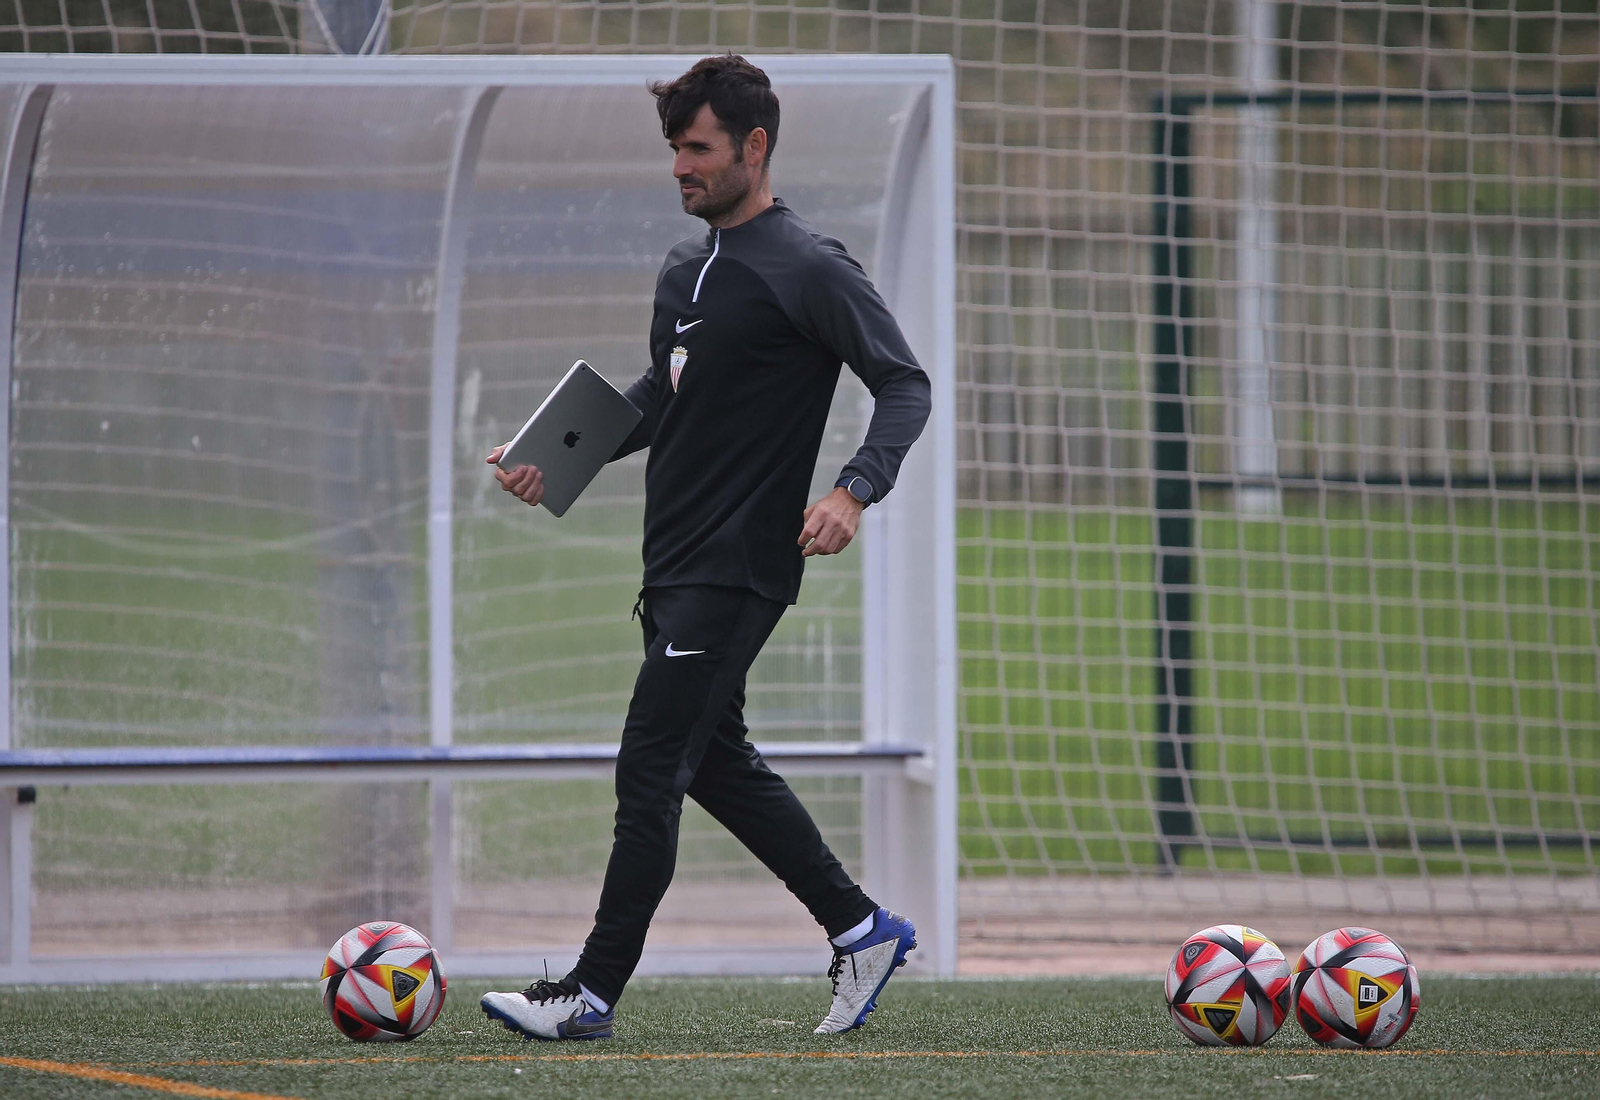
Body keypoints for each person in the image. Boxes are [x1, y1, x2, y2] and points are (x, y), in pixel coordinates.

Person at [478, 54, 932, 1041]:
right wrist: (556, 457)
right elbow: (660, 394)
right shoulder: (685, 270)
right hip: (672, 561)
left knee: (649, 768)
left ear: (753, 148)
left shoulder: (808, 265)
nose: (679, 166)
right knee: (712, 760)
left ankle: (588, 992)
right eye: (673, 149)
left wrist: (854, 490)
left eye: (698, 148)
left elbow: (904, 382)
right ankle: (860, 928)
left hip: (737, 567)